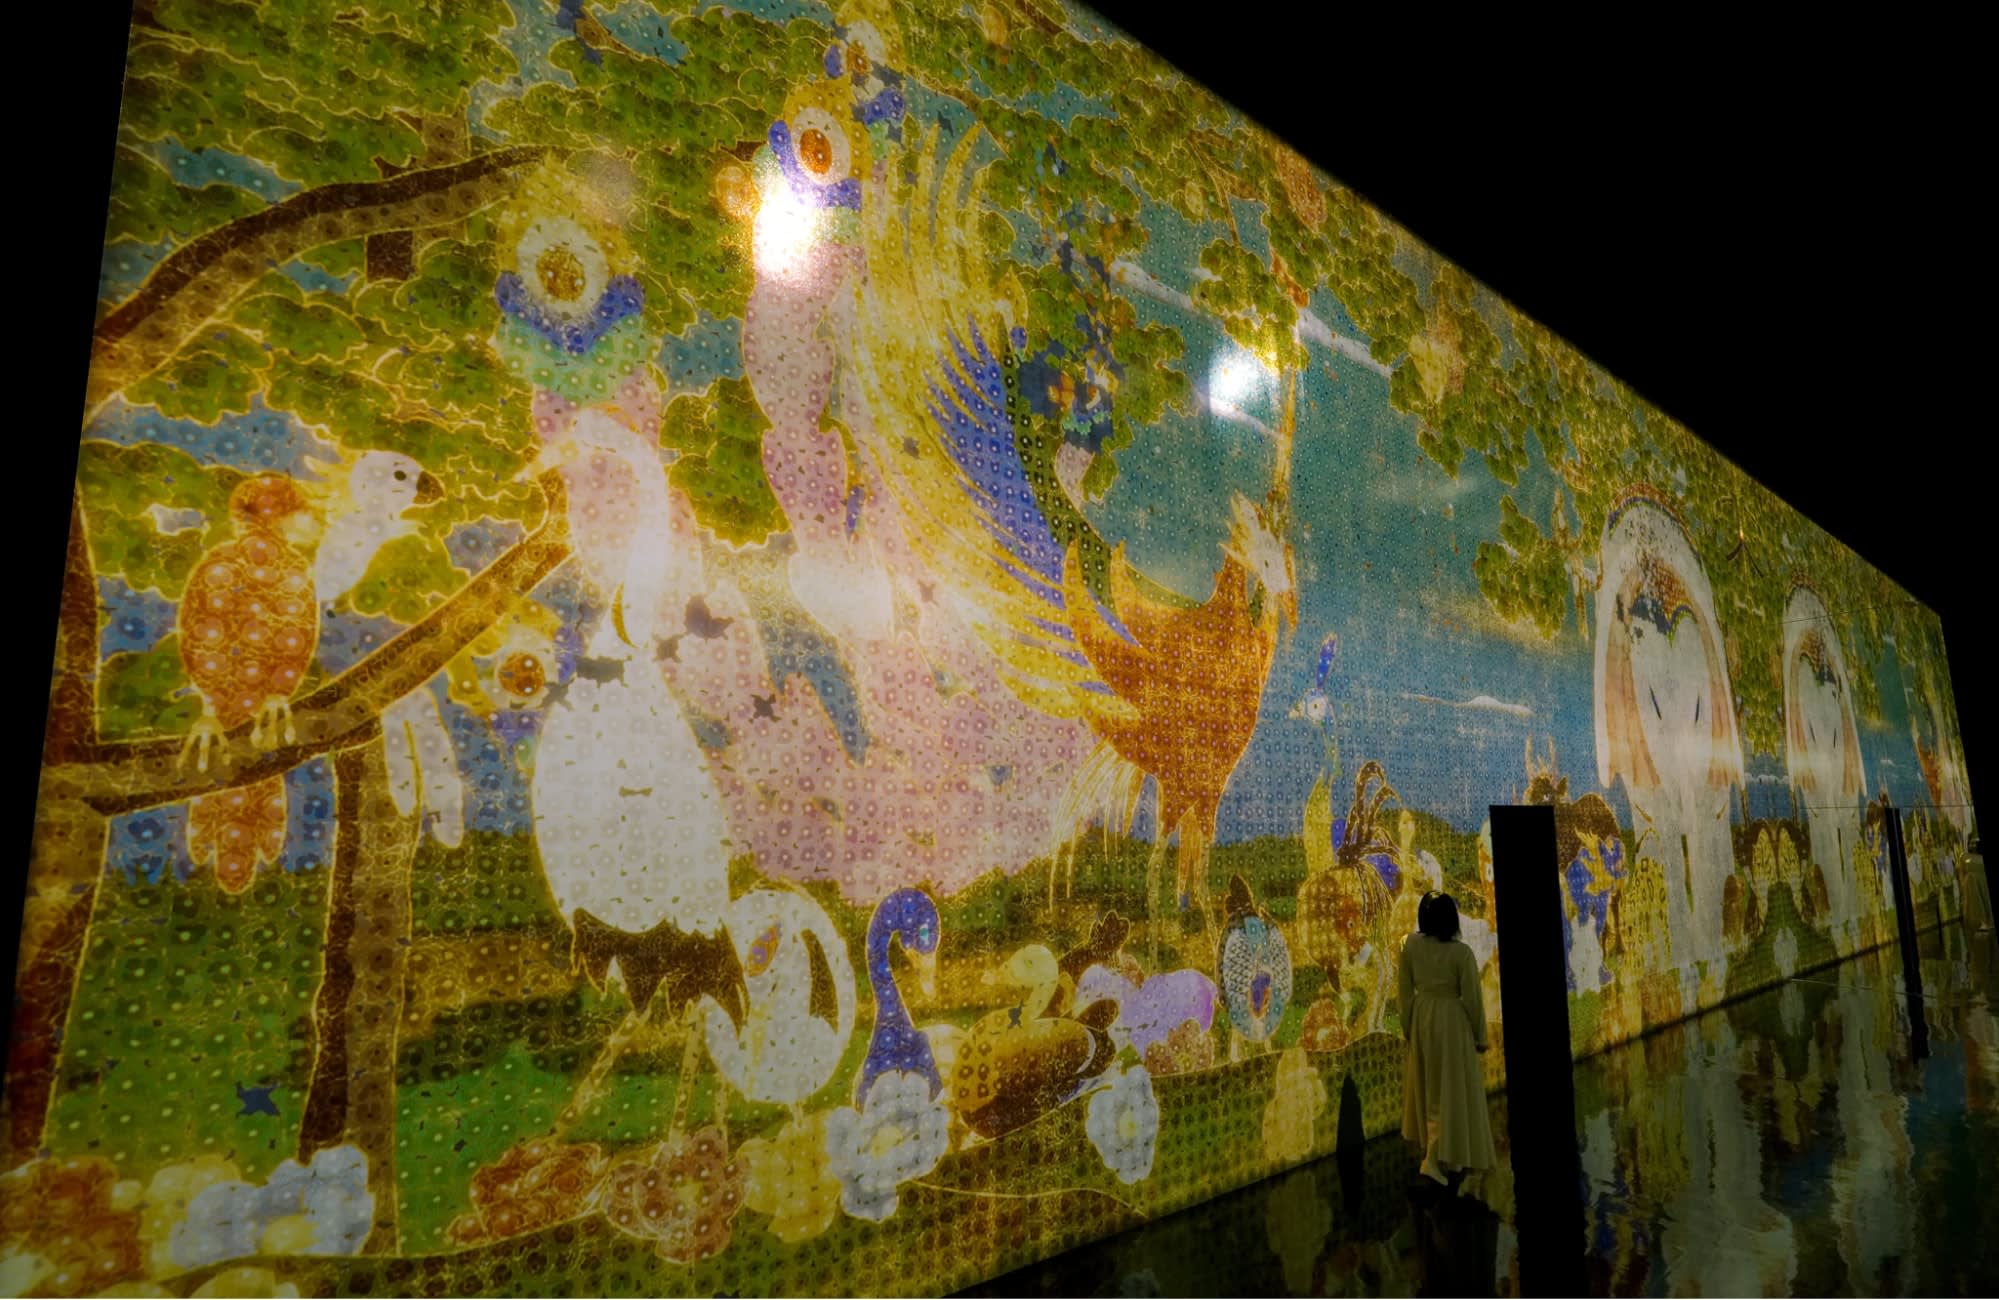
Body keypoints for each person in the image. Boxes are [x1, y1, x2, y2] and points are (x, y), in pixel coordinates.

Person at [1400, 891, 1497, 1186]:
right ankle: (1435, 1159)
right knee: (1451, 1091)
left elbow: (1404, 994)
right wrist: (1480, 1036)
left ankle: (1443, 1156)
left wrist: (1408, 1028)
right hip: (1452, 1024)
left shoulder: (1410, 946)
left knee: (1431, 1088)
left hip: (1422, 1019)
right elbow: (1473, 1000)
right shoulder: (1461, 954)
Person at [1965, 834, 1992, 933]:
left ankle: (1988, 922)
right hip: (1974, 885)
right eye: (1970, 843)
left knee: (1985, 900)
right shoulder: (1966, 857)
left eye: (1974, 843)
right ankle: (1982, 922)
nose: (1972, 845)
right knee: (1979, 903)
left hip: (1982, 882)